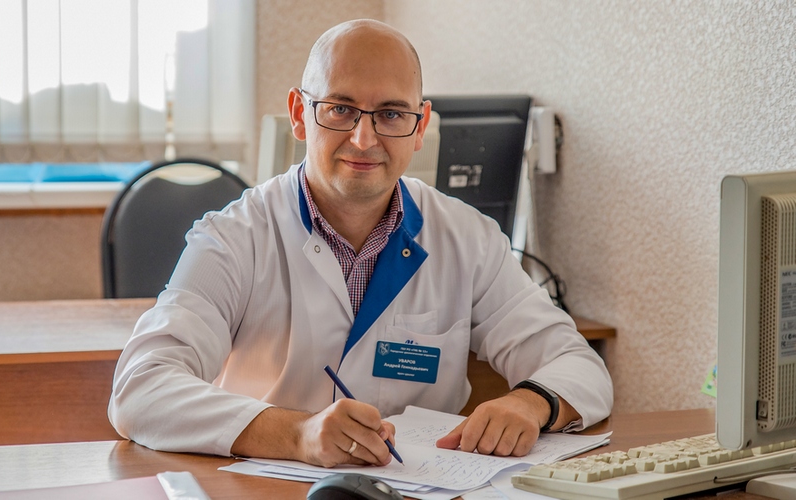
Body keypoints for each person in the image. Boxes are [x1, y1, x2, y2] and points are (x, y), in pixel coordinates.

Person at [108, 19, 612, 468]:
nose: (364, 139)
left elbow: (578, 365)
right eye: (340, 109)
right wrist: (298, 434)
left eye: (391, 114)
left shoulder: (468, 237)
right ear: (300, 113)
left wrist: (529, 402)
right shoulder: (232, 238)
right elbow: (141, 388)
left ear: (420, 126)